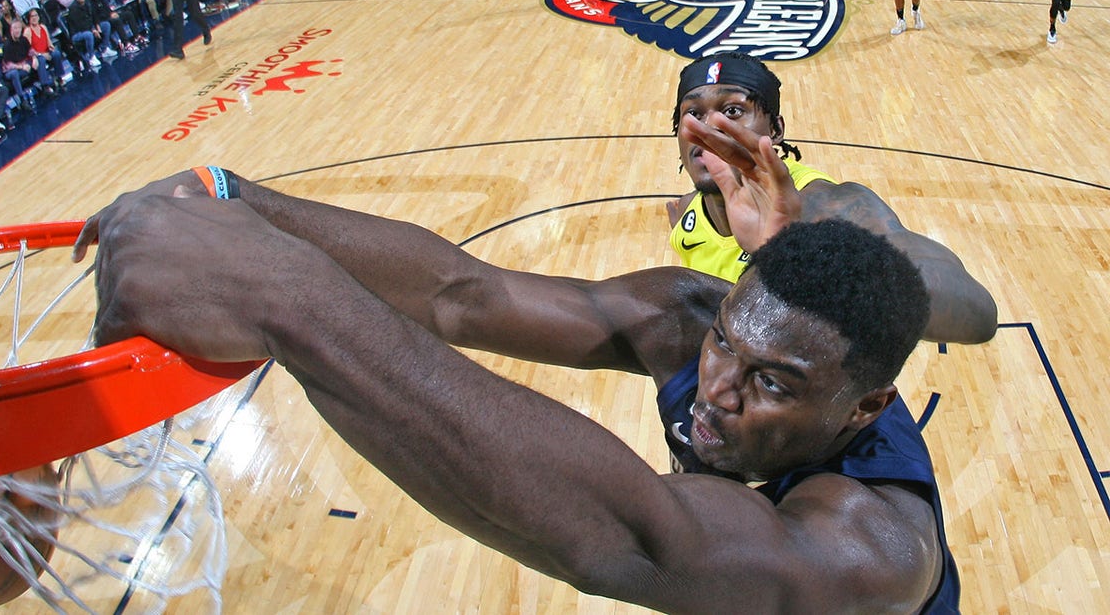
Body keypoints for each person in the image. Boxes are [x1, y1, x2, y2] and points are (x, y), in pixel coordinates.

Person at [76, 161, 961, 612]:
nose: (718, 389)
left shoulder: (869, 551)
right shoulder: (691, 325)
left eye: (771, 382)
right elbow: (464, 294)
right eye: (728, 342)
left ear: (864, 409)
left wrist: (286, 295)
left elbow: (629, 540)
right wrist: (236, 197)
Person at [666, 52, 996, 344]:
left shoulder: (829, 205)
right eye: (693, 114)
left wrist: (793, 254)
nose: (709, 127)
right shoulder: (685, 215)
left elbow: (975, 313)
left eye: (733, 110)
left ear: (776, 130)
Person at [1, 18, 57, 107]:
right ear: (11, 30)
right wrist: (21, 67)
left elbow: (31, 51)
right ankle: (22, 100)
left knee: (40, 59)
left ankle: (45, 87)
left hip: (25, 64)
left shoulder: (23, 39)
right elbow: (8, 65)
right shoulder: (7, 45)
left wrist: (34, 58)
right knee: (14, 73)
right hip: (12, 70)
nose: (17, 30)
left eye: (19, 28)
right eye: (15, 28)